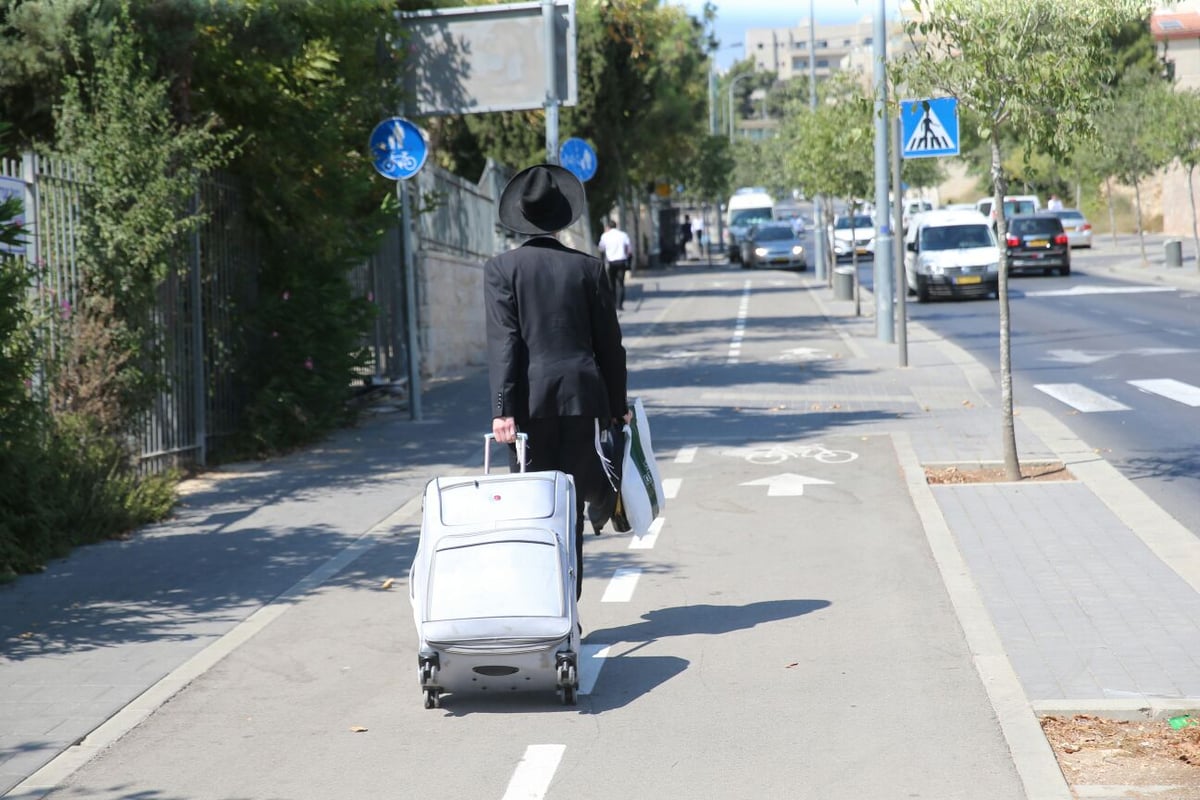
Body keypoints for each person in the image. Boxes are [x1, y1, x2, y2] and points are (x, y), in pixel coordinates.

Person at [485, 163, 630, 600]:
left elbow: (505, 344)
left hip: (528, 409)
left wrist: (502, 410)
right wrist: (617, 404)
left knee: (534, 507)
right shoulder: (589, 269)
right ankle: (570, 608)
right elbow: (611, 346)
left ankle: (541, 606)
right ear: (562, 217)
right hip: (584, 401)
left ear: (521, 219)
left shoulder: (501, 270)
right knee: (569, 505)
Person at [597, 217, 632, 310]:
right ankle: (620, 305)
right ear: (616, 226)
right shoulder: (623, 235)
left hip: (611, 262)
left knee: (611, 283)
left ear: (608, 226)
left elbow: (601, 248)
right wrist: (629, 261)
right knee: (621, 283)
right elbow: (629, 250)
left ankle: (613, 303)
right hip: (621, 261)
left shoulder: (605, 236)